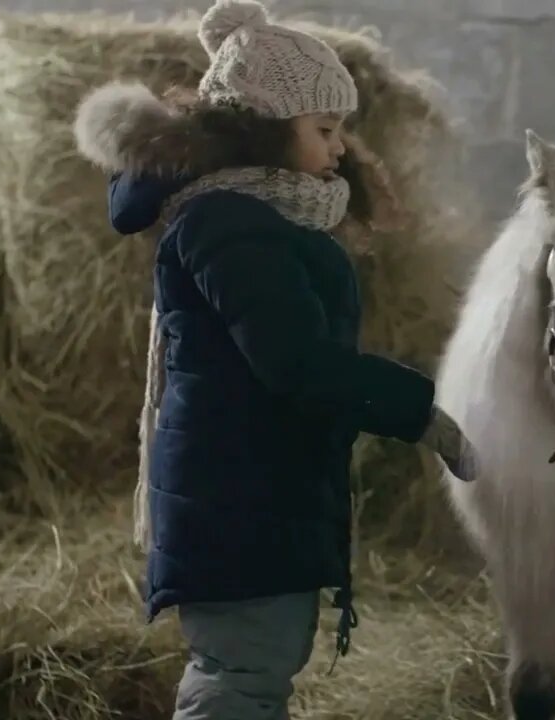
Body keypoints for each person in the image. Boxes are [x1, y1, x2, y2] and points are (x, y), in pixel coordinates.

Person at [73, 1, 477, 717]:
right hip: (239, 502)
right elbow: (295, 363)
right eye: (324, 130)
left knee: (253, 672)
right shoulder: (233, 225)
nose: (340, 148)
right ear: (264, 129)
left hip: (249, 495)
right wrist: (418, 410)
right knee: (242, 676)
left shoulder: (251, 216)